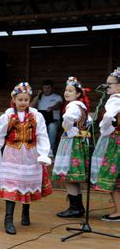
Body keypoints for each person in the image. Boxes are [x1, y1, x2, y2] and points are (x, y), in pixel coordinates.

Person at [0, 82, 52, 234]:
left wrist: (43, 153)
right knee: (13, 184)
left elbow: (42, 135)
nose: (23, 103)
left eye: (26, 100)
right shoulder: (8, 116)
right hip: (12, 154)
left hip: (30, 154)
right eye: (20, 99)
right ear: (14, 99)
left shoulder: (36, 115)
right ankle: (8, 219)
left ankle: (25, 212)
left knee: (27, 182)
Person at [52, 77, 90, 218]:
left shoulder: (72, 105)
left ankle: (75, 207)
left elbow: (67, 119)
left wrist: (66, 127)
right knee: (73, 176)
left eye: (70, 90)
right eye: (66, 90)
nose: (66, 93)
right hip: (79, 142)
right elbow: (89, 122)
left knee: (68, 175)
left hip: (71, 142)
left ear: (78, 93)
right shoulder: (82, 106)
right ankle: (77, 207)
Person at [91, 67, 120, 221]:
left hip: (116, 141)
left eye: (110, 84)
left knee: (113, 175)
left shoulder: (115, 99)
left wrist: (104, 128)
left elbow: (109, 115)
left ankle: (118, 211)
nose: (106, 86)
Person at [30, 80, 63, 157]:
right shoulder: (39, 97)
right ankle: (35, 150)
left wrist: (52, 108)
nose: (46, 90)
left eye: (48, 88)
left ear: (52, 88)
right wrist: (38, 96)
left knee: (52, 126)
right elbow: (30, 106)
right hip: (41, 121)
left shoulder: (57, 97)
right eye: (44, 88)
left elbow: (59, 105)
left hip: (54, 121)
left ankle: (50, 149)